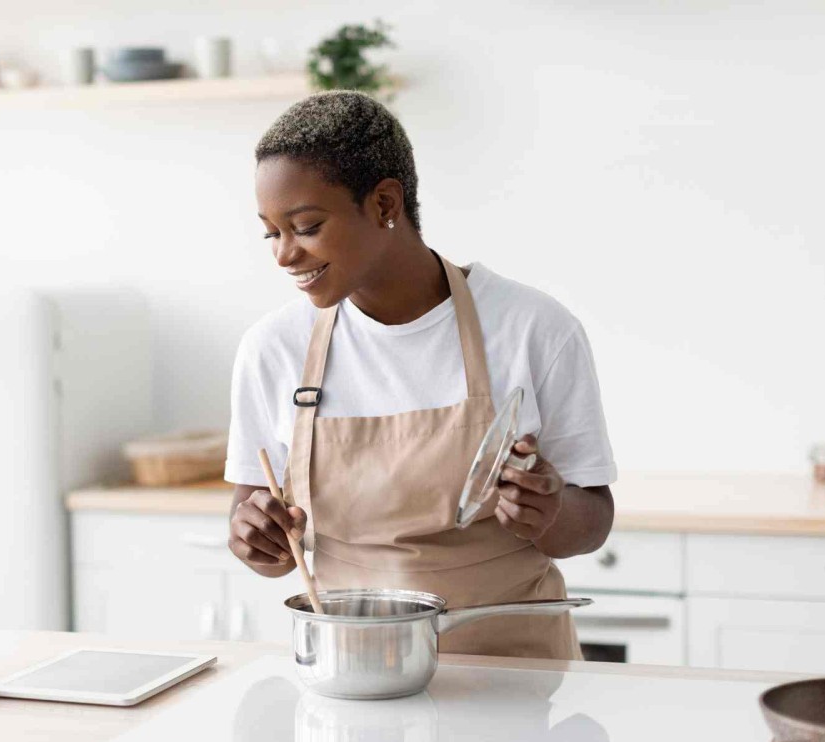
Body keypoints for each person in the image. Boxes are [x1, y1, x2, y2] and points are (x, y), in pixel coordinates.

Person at [224, 91, 616, 659]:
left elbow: (593, 521)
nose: (284, 255)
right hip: (353, 676)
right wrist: (255, 537)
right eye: (271, 232)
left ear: (385, 203)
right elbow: (256, 521)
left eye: (305, 226)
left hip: (519, 677)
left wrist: (550, 514)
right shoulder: (273, 348)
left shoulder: (535, 329)